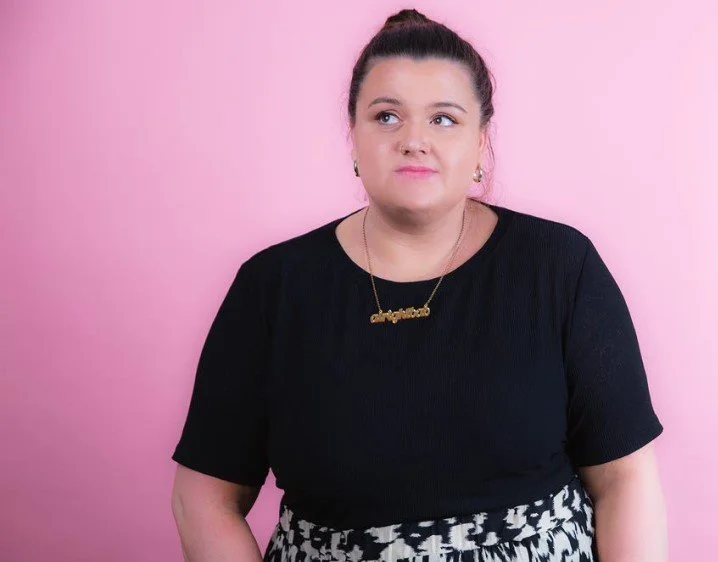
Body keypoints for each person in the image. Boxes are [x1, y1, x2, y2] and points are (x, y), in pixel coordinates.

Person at [170, 8, 668, 561]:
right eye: (386, 116)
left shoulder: (559, 267)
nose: (414, 140)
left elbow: (625, 480)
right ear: (353, 138)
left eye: (444, 119)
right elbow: (203, 499)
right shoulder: (273, 287)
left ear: (480, 144)